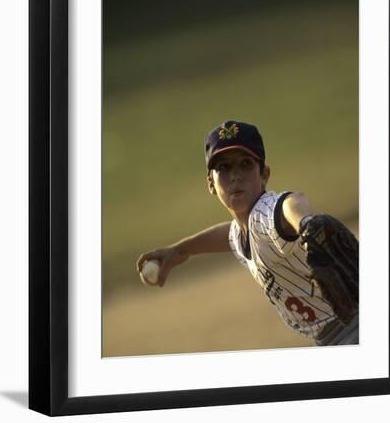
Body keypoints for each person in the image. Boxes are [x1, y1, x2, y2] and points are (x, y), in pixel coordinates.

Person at [136, 120, 359, 346]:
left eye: (245, 164)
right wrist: (180, 250)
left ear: (264, 174)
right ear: (210, 184)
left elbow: (290, 203)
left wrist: (305, 222)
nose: (235, 176)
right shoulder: (243, 229)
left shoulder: (266, 212)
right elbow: (229, 236)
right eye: (223, 168)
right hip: (335, 337)